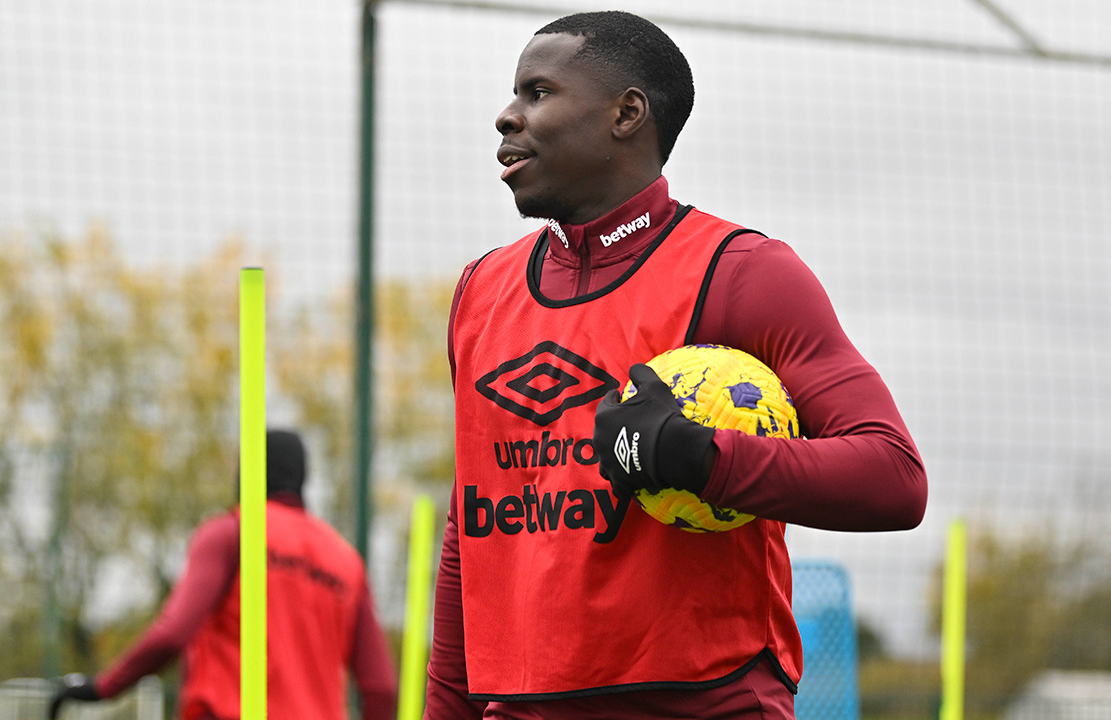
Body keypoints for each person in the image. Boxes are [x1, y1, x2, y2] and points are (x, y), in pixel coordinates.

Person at [427, 10, 927, 719]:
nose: (507, 117)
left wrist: (700, 458)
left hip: (707, 701)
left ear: (626, 114)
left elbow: (894, 478)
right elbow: (469, 534)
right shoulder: (481, 292)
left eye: (538, 93)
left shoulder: (743, 272)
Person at [50, 429, 398, 720]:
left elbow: (172, 633)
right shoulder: (345, 561)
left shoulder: (231, 532)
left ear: (244, 472)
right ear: (303, 479)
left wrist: (103, 686)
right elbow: (381, 688)